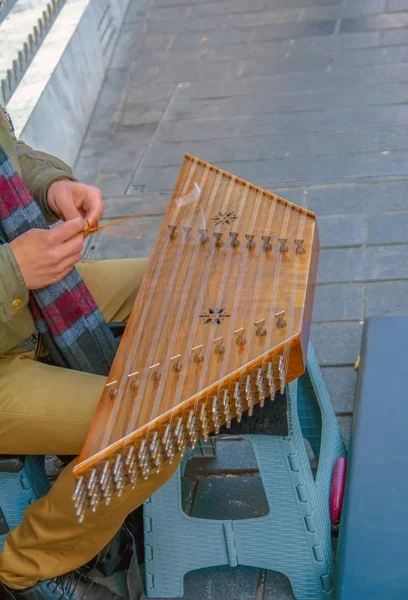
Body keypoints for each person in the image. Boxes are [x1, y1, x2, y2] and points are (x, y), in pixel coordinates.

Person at [0, 106, 179, 599]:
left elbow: (9, 155)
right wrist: (13, 270)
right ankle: (23, 571)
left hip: (21, 310)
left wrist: (52, 186)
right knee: (151, 427)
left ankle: (103, 500)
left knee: (179, 284)